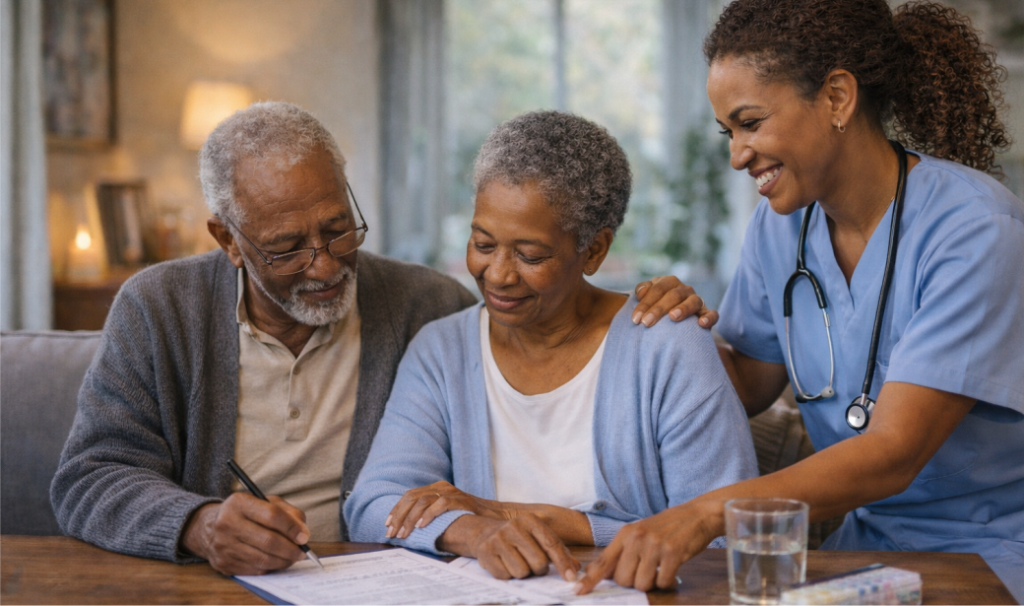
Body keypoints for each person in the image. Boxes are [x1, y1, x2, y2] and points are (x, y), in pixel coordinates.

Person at [578, 0, 1024, 600]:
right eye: (728, 132)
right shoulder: (781, 228)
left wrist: (707, 514)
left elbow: (893, 454)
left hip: (990, 553)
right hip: (863, 548)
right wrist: (668, 326)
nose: (737, 154)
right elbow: (749, 382)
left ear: (837, 96)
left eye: (751, 122)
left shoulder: (976, 230)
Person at [51, 102, 478, 575]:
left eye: (338, 230)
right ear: (228, 240)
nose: (325, 265)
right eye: (287, 249)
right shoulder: (158, 306)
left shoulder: (431, 306)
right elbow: (88, 479)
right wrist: (201, 525)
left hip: (391, 583)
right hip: (221, 586)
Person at [344, 111, 758, 581]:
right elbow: (374, 504)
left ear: (595, 250)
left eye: (530, 255)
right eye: (482, 243)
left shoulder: (667, 345)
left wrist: (515, 515)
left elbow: (727, 534)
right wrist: (475, 532)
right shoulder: (442, 350)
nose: (498, 274)